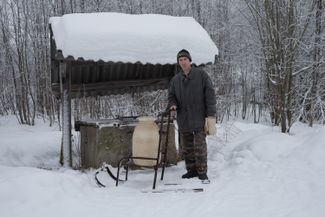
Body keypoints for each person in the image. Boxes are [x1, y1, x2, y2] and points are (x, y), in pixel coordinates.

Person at [168, 49, 216, 181]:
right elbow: (171, 96)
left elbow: (210, 95)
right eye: (180, 60)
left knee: (199, 146)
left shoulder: (201, 75)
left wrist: (210, 114)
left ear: (190, 61)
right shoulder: (175, 80)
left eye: (185, 59)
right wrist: (172, 105)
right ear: (178, 62)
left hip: (199, 117)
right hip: (184, 118)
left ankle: (202, 172)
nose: (183, 62)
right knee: (187, 147)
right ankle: (191, 170)